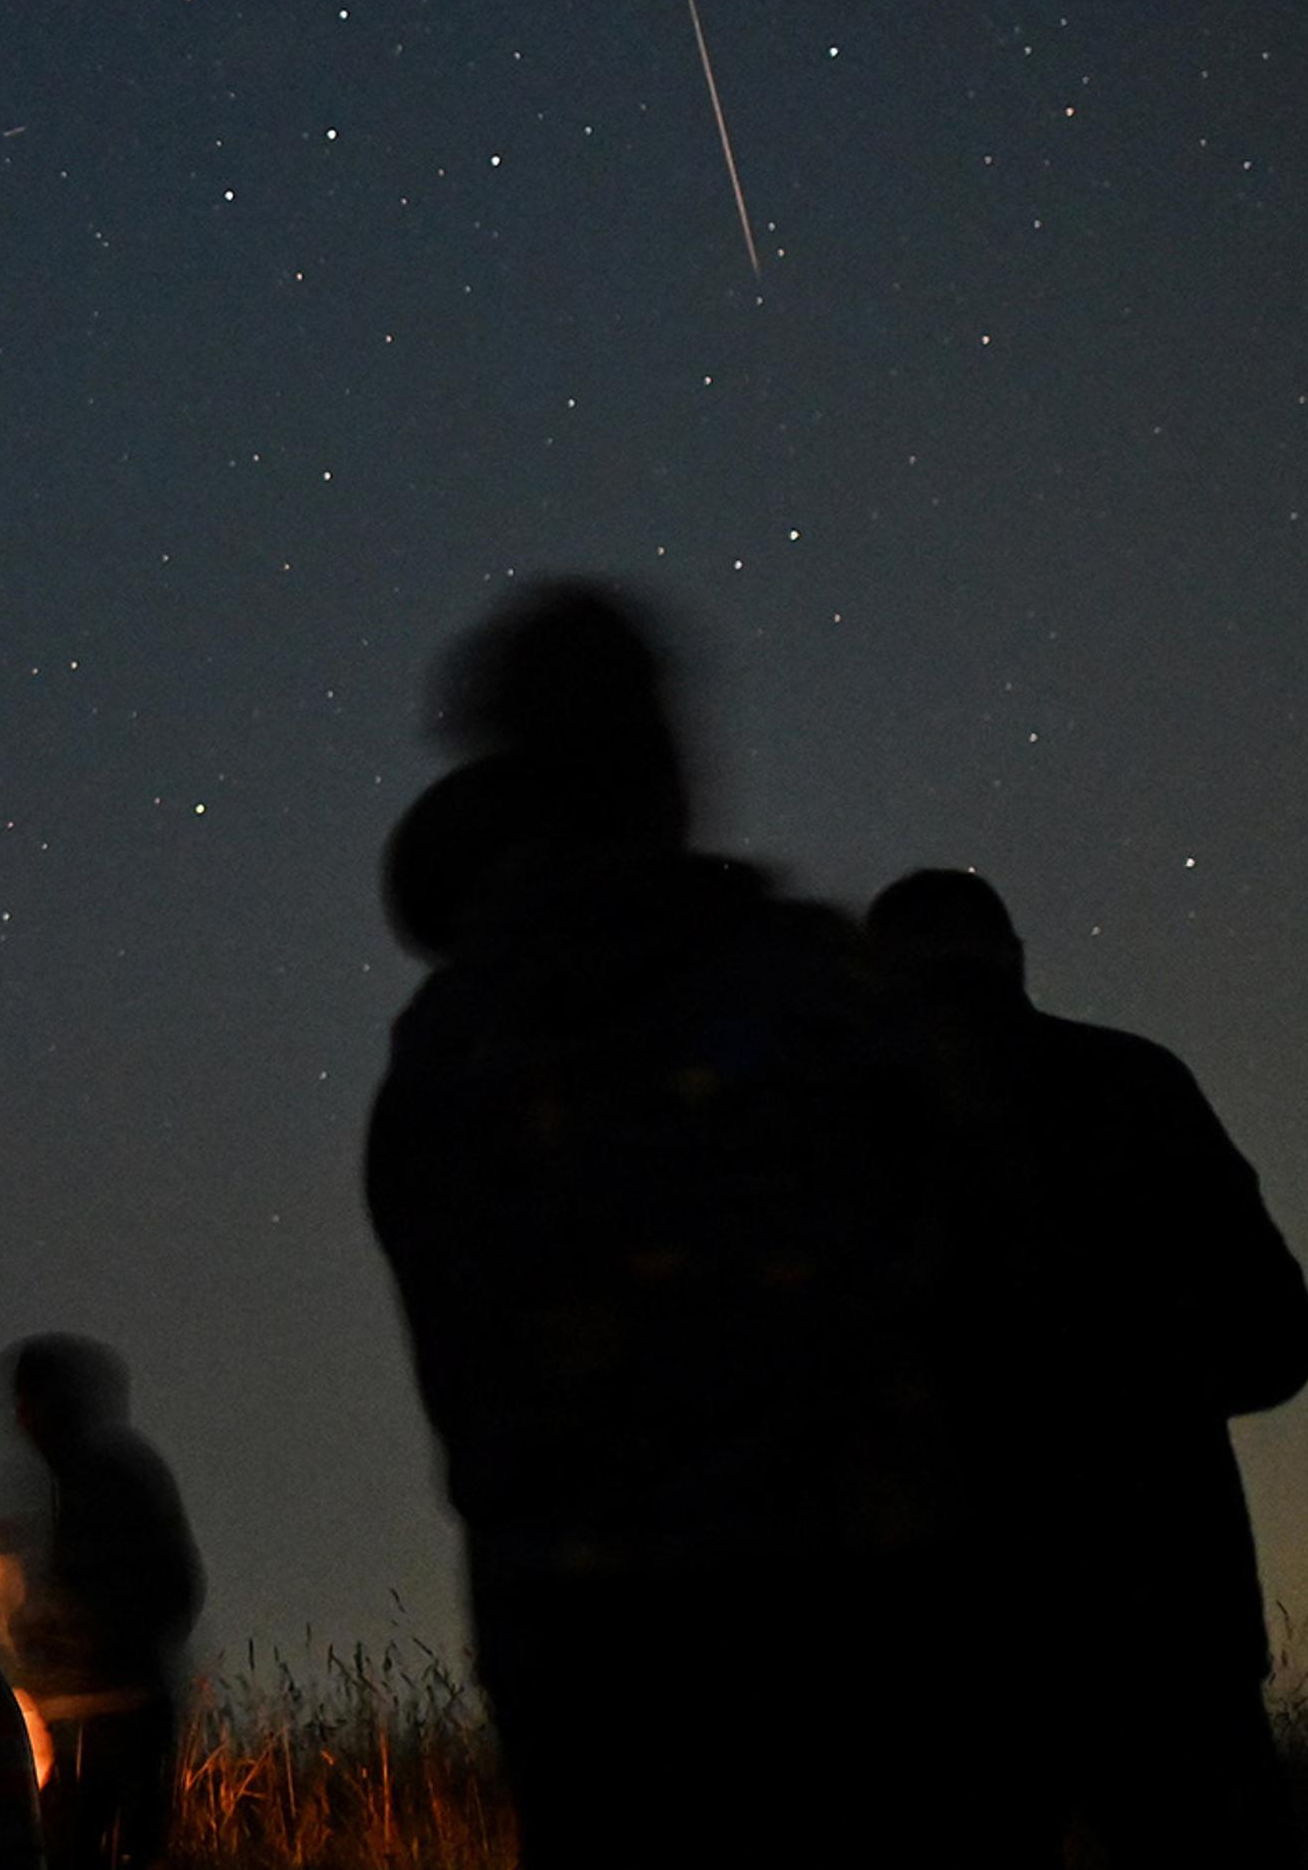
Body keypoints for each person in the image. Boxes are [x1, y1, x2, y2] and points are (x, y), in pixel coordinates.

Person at [364, 584, 1028, 1869]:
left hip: (590, 1664)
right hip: (860, 1638)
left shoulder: (447, 1054)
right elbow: (992, 1271)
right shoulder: (805, 982)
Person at [868, 868, 1308, 1868]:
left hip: (939, 1641)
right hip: (1166, 1618)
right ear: (1015, 963)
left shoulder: (846, 1130)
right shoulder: (1135, 1088)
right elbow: (1278, 1338)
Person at [0, 1335, 202, 1870]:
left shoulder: (109, 1479)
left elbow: (171, 1589)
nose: (22, 1420)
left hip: (115, 1709)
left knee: (105, 1848)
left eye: (30, 1403)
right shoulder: (57, 1486)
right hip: (82, 1710)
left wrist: (82, 1645)